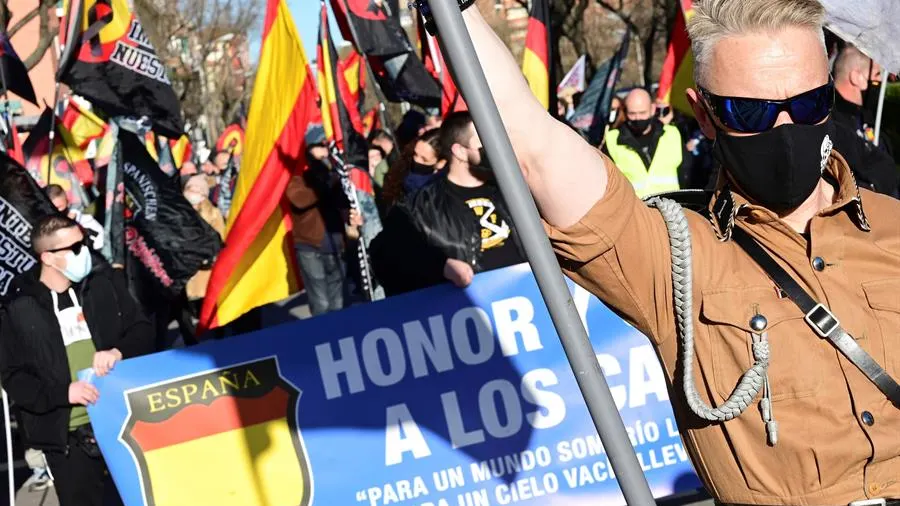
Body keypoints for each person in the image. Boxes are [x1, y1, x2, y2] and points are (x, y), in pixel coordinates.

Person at [460, 0, 899, 503]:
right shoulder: (672, 257)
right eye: (750, 111)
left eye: (807, 104)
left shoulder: (894, 225)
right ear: (706, 115)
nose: (783, 128)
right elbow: (530, 143)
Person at [0, 215, 153, 506]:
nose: (84, 251)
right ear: (48, 257)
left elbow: (143, 329)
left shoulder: (102, 284)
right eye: (75, 247)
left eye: (83, 242)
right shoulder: (18, 307)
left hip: (124, 421)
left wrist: (117, 351)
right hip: (67, 436)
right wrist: (64, 393)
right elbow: (13, 377)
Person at [371, 111, 525, 295]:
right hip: (471, 312)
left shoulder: (513, 190)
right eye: (483, 143)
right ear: (460, 151)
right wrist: (440, 266)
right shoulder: (419, 206)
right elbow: (384, 256)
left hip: (531, 302)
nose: (493, 147)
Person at [285, 143, 357, 315]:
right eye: (319, 157)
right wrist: (324, 185)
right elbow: (299, 200)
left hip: (335, 245)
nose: (324, 159)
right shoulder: (297, 179)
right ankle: (324, 336)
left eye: (326, 155)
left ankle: (340, 336)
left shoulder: (333, 177)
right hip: (310, 247)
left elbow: (343, 203)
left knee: (338, 301)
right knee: (321, 303)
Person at [832, 44, 898, 196]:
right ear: (856, 77)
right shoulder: (831, 121)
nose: (881, 81)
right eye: (877, 74)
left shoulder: (866, 117)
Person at [602, 88, 692, 197]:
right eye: (632, 113)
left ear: (653, 109)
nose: (637, 118)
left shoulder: (672, 134)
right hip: (634, 210)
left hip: (671, 208)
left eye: (642, 113)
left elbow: (687, 174)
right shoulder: (612, 139)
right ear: (625, 111)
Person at [182, 175, 226, 339]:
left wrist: (205, 256)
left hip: (205, 273)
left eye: (194, 189)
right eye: (189, 189)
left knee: (208, 312)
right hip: (186, 274)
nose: (191, 193)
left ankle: (218, 342)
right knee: (189, 314)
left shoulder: (213, 214)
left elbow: (219, 240)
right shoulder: (181, 213)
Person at [379, 129, 445, 210]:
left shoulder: (439, 193)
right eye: (415, 154)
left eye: (424, 159)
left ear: (441, 163)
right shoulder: (402, 168)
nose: (416, 160)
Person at [46, 185, 104, 251]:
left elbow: (100, 242)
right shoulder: (50, 231)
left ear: (66, 200)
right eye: (55, 209)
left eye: (60, 207)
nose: (59, 211)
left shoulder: (85, 220)